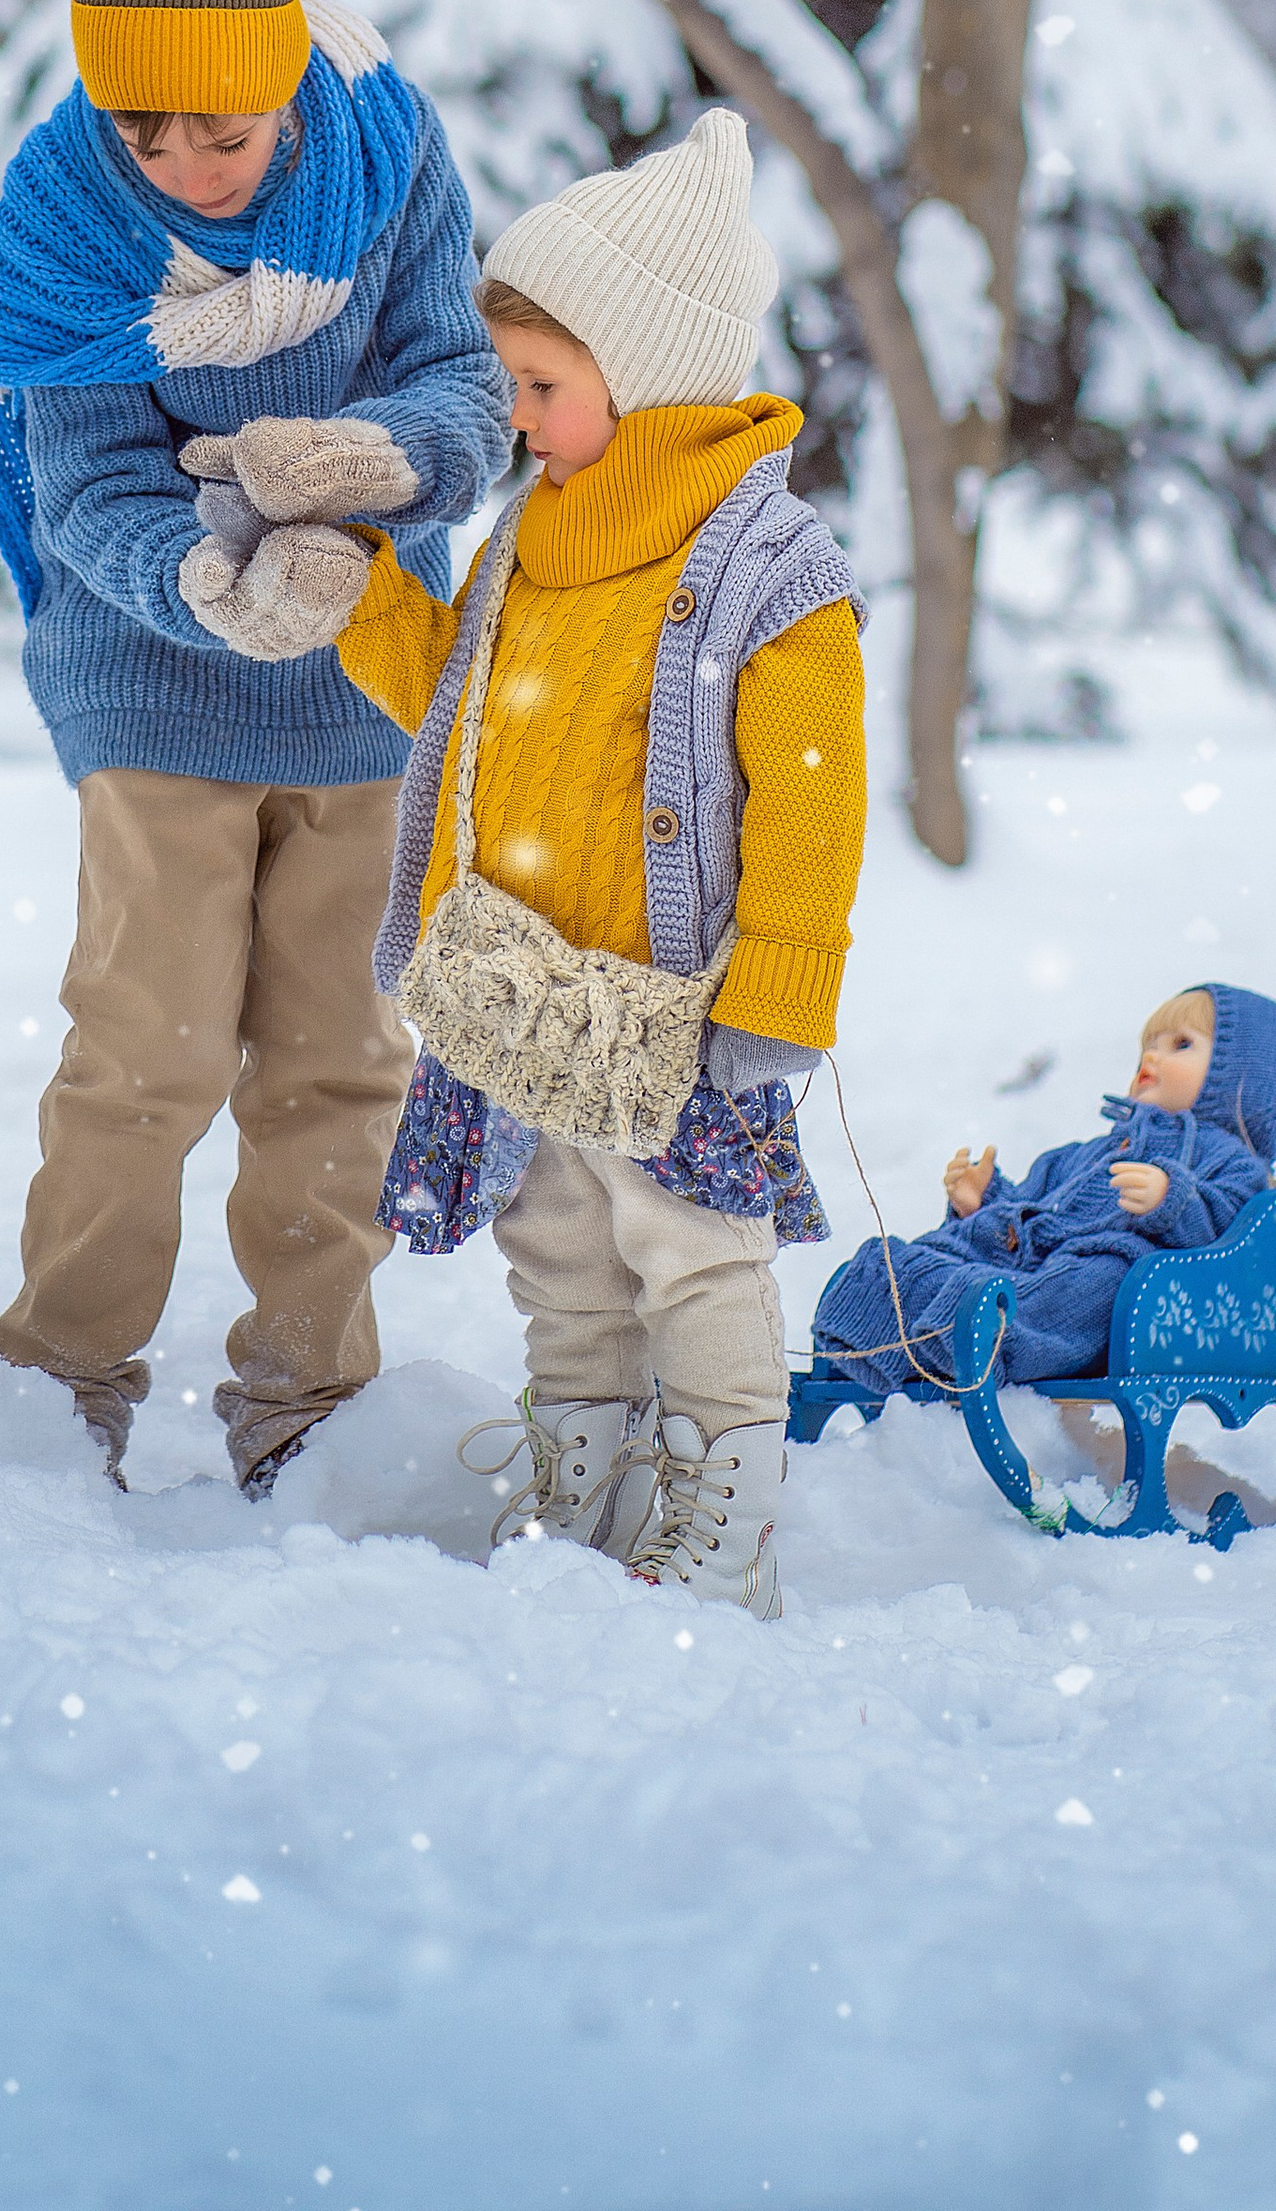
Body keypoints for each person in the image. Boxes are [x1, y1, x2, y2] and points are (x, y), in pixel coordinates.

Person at [0, 0, 512, 1494]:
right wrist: (207, 579)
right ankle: (59, 1388)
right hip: (151, 678)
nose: (185, 166)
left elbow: (465, 384)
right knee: (152, 1052)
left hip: (367, 678)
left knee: (340, 1060)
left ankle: (307, 1404)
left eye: (224, 130)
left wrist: (375, 462)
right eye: (146, 129)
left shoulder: (387, 158)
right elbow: (88, 486)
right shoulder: (64, 215)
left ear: (283, 78)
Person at [330, 110, 866, 1618]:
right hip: (521, 999)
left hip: (671, 1014)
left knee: (693, 1258)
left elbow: (815, 804)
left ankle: (723, 1510)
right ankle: (581, 1477)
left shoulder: (769, 571)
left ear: (649, 377)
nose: (514, 418)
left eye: (541, 387)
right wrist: (365, 597)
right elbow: (461, 703)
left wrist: (780, 985)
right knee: (558, 1249)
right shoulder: (529, 532)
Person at [809, 982, 1276, 1399]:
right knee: (929, 1255)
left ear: (1245, 1083)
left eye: (1180, 1044)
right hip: (1035, 1272)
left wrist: (1175, 1200)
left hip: (1123, 1306)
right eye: (1148, 1044)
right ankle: (905, 1313)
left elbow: (1235, 1236)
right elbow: (1038, 1204)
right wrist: (985, 1202)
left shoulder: (1229, 1161)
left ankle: (982, 1333)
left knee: (1097, 1279)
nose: (1151, 1057)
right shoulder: (1096, 1150)